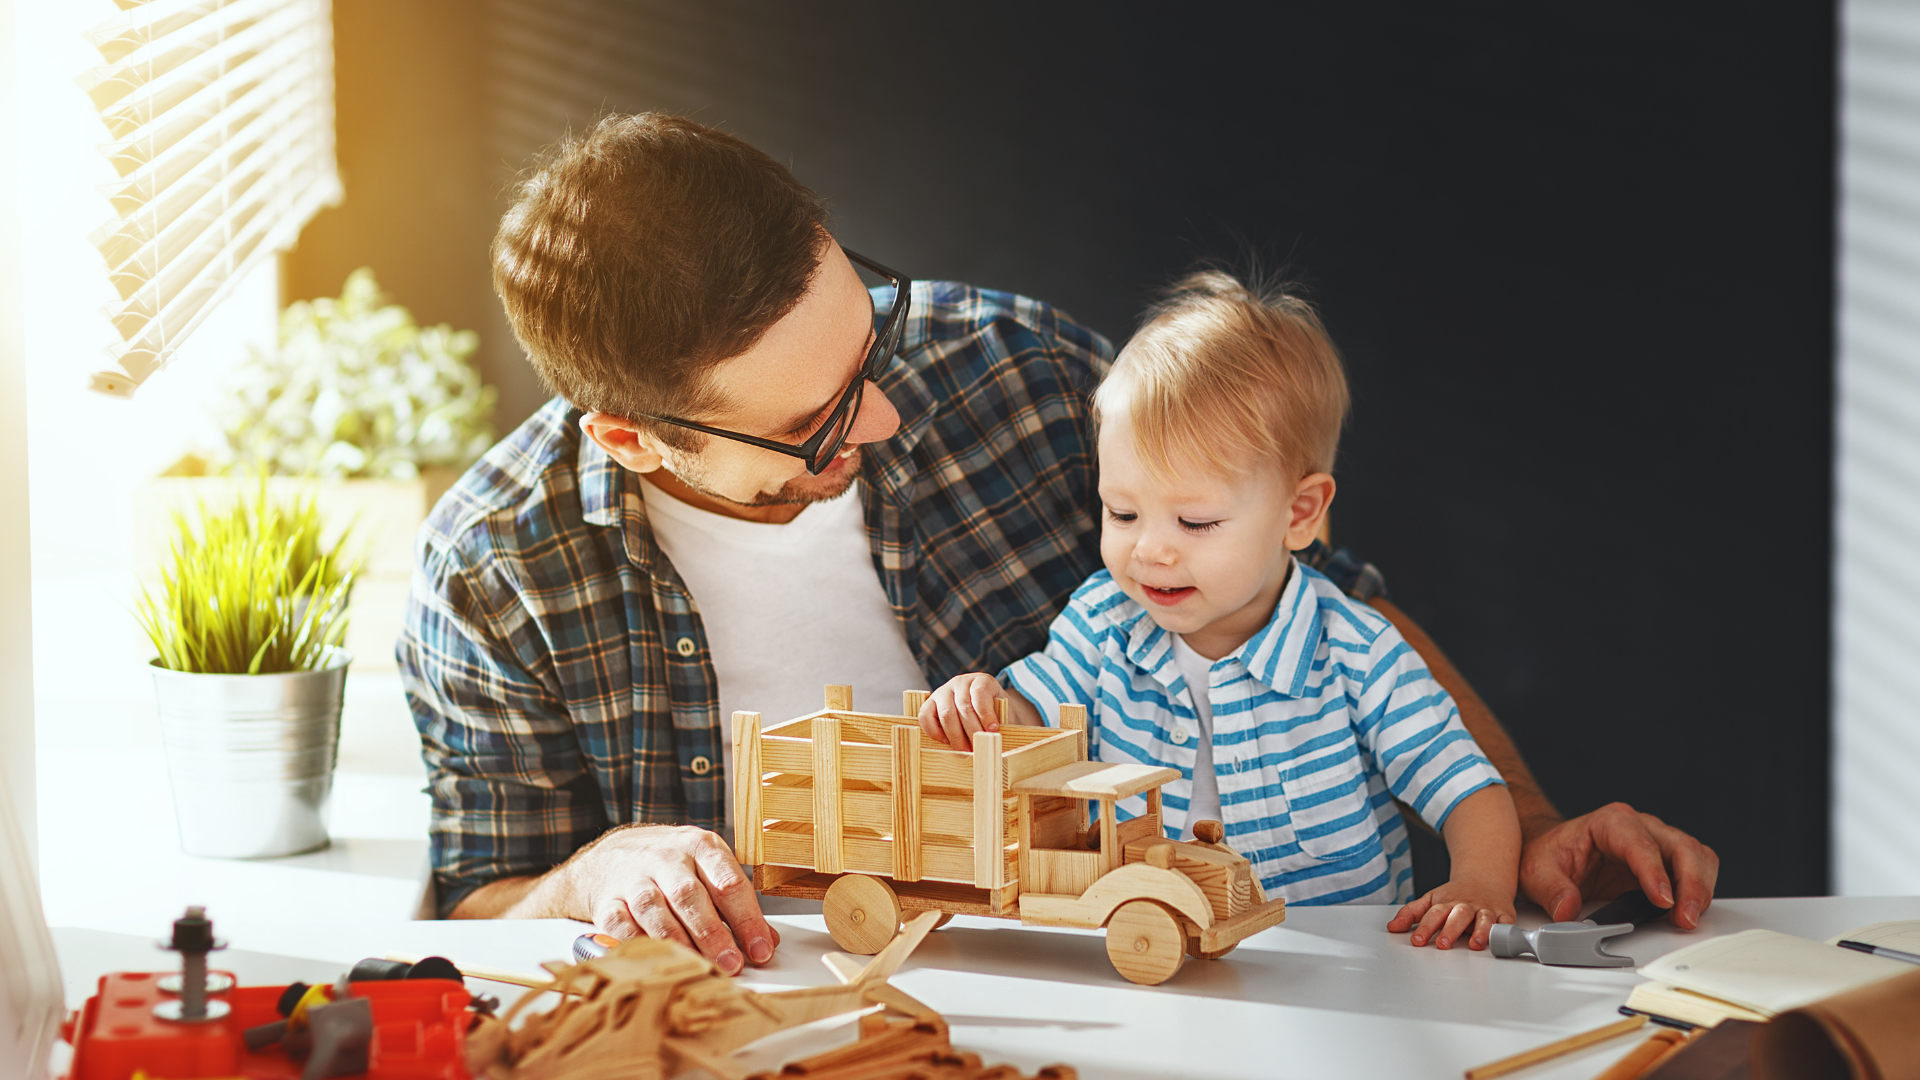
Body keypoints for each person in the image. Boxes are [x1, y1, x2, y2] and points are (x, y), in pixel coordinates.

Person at [398, 112, 1719, 977]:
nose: (886, 414)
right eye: (814, 426)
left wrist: (1526, 826)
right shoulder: (497, 578)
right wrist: (590, 875)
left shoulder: (1016, 372)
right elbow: (478, 904)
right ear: (633, 438)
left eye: (869, 338)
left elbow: (1328, 607)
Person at [918, 272, 1521, 948]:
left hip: (1336, 965)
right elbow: (1035, 717)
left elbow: (1469, 790)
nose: (1150, 551)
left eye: (1196, 522)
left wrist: (1480, 883)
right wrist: (986, 706)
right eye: (1122, 513)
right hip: (1150, 940)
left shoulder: (1357, 651)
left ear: (1299, 514)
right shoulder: (1102, 620)